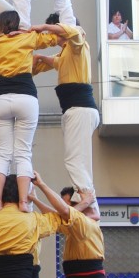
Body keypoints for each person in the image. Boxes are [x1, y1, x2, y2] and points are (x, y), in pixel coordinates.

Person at [0, 10, 59, 212]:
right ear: (18, 25)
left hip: (2, 99)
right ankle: (24, 202)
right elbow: (54, 38)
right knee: (23, 154)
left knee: (2, 155)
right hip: (26, 98)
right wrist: (35, 28)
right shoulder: (28, 37)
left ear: (0, 26)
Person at [32, 14, 100, 209]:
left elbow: (75, 32)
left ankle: (86, 196)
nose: (53, 37)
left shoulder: (77, 44)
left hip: (80, 109)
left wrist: (43, 26)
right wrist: (38, 58)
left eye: (55, 31)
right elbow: (51, 62)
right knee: (80, 159)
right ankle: (85, 196)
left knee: (74, 159)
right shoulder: (65, 53)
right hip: (78, 110)